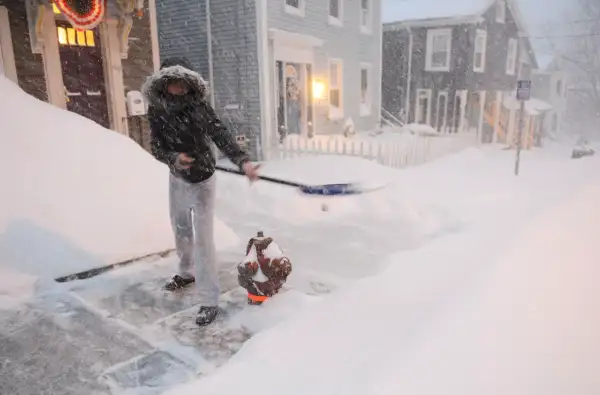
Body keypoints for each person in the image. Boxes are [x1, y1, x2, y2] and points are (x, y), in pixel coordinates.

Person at [142, 57, 260, 326]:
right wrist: (174, 158)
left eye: (185, 83)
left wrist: (243, 161)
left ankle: (209, 300)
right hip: (178, 178)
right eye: (175, 84)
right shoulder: (157, 111)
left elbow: (220, 134)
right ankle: (186, 273)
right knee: (181, 229)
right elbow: (157, 147)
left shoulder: (199, 107)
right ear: (165, 84)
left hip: (204, 178)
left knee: (204, 240)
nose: (180, 88)